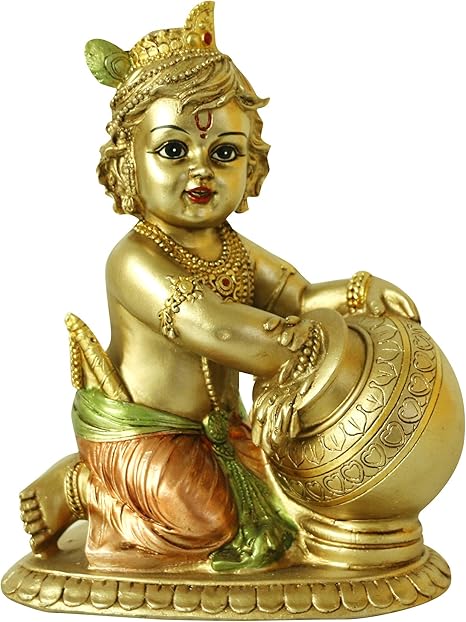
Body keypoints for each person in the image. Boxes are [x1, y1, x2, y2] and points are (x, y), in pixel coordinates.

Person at [19, 2, 418, 573]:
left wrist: (357, 293)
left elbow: (298, 297)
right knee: (207, 527)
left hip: (221, 432)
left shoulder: (231, 246)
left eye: (224, 153)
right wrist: (300, 346)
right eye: (173, 150)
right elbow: (212, 327)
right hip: (145, 433)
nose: (200, 169)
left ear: (251, 166)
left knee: (289, 503)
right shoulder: (133, 260)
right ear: (128, 162)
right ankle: (85, 485)